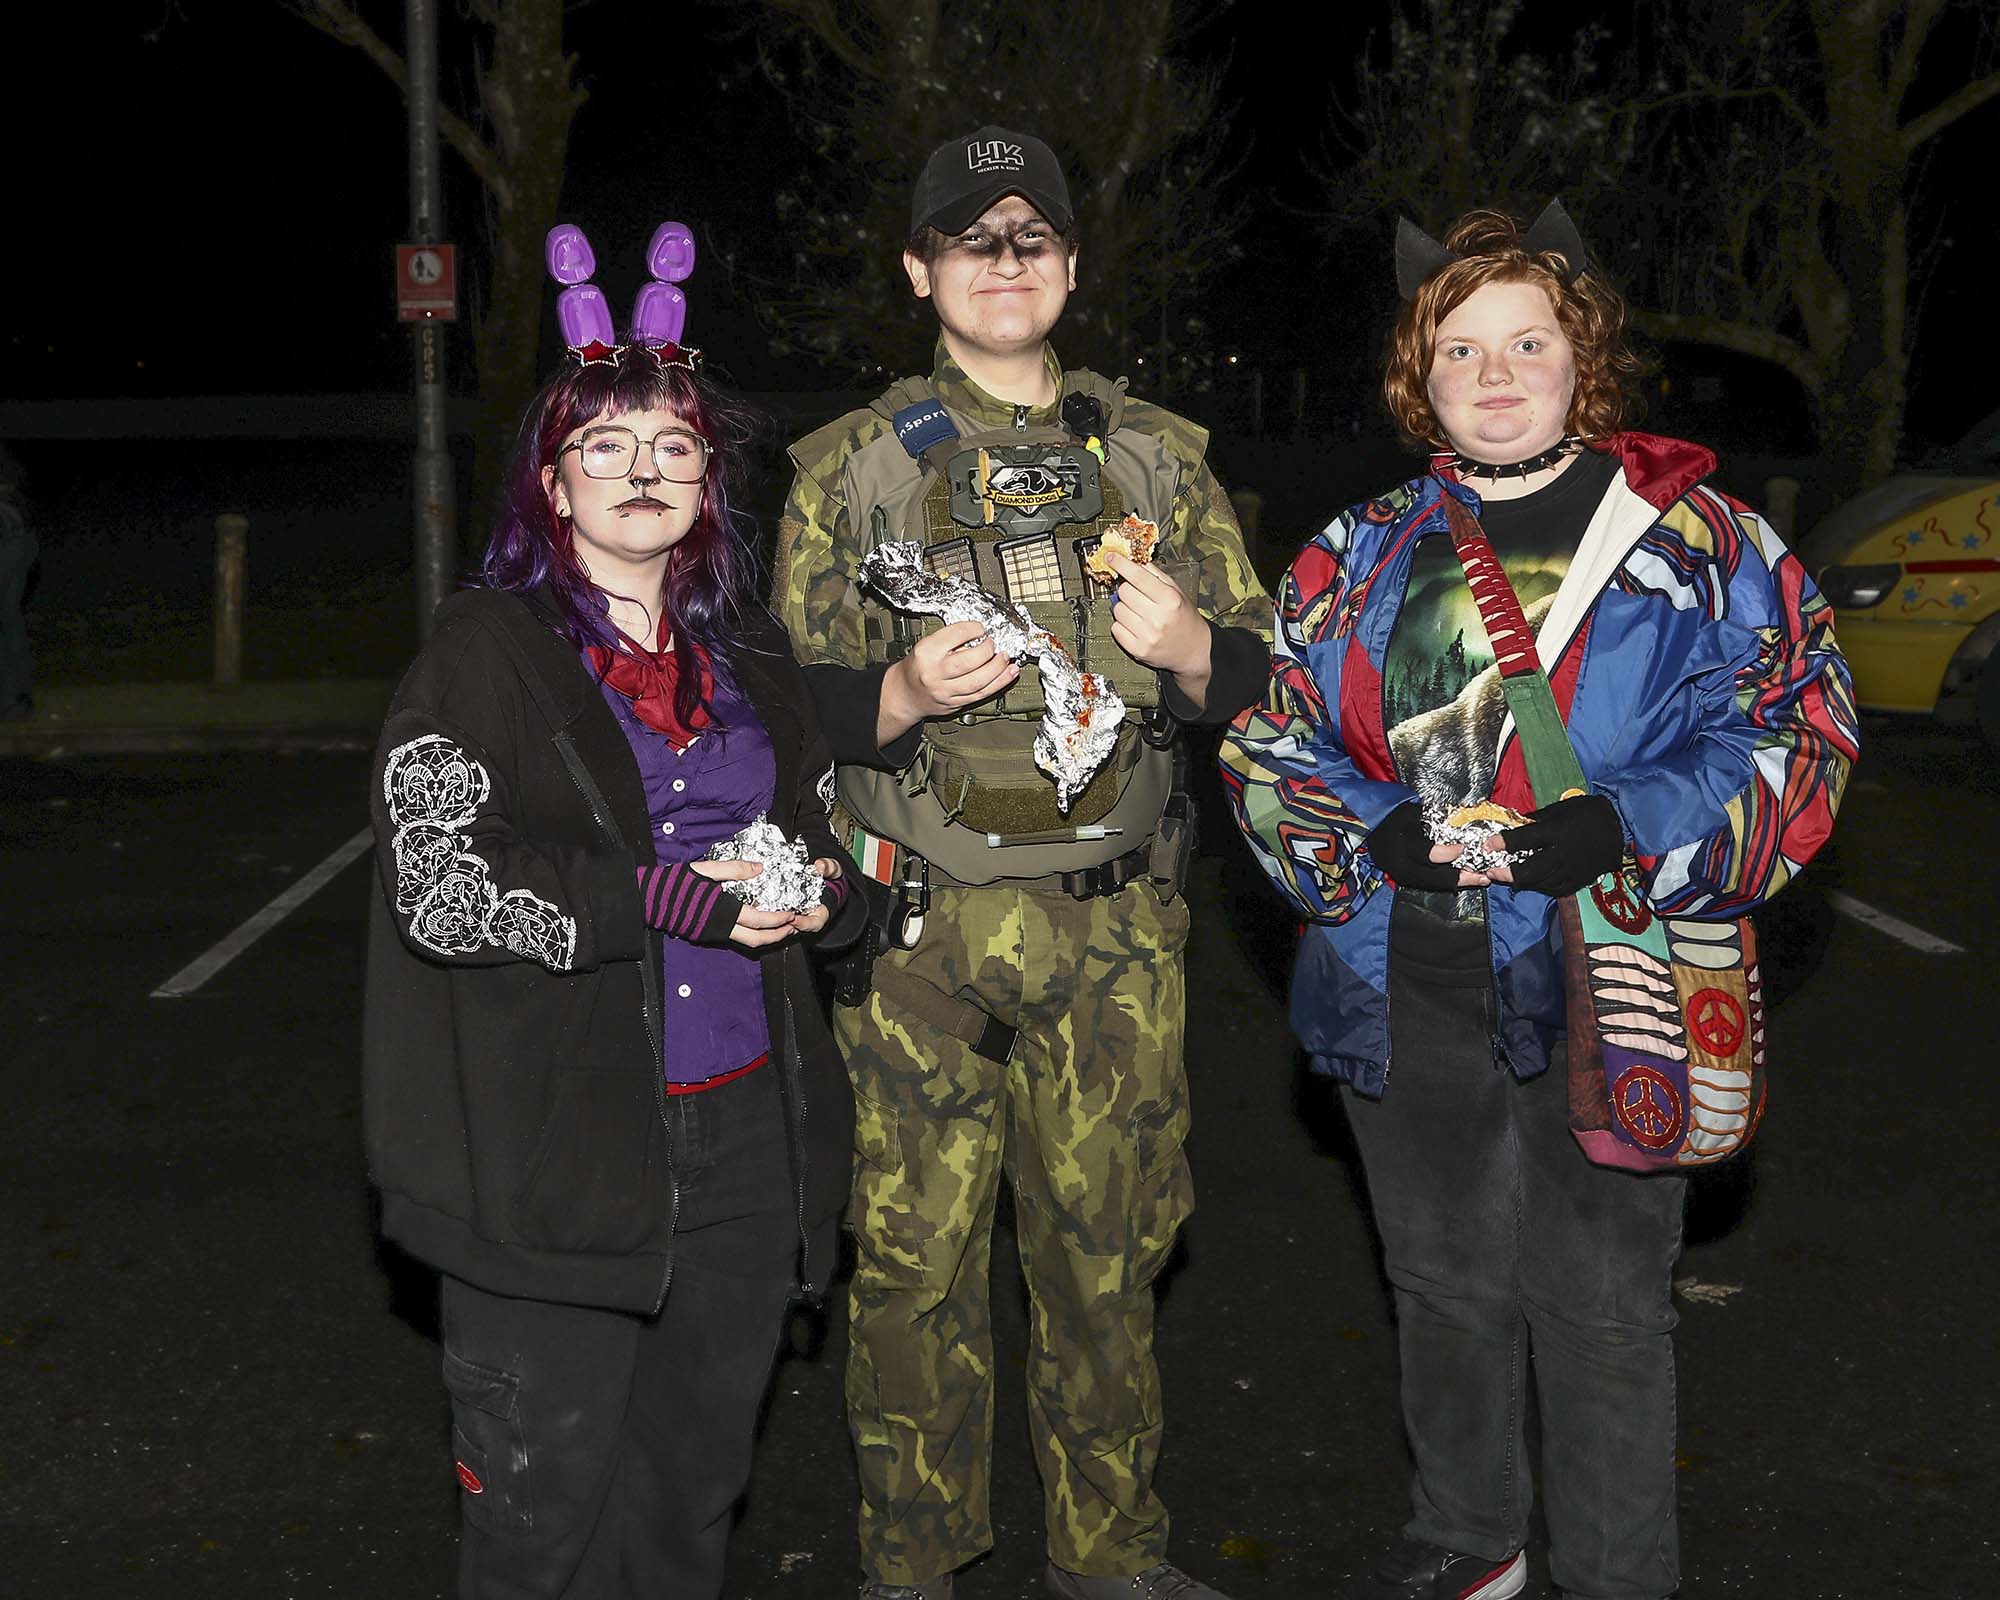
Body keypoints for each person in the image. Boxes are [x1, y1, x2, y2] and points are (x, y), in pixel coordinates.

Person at [1221, 204, 1856, 1600]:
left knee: (1603, 1300)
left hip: (1603, 960)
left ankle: (1618, 1575)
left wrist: (1621, 824)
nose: (1495, 373)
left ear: (1585, 358)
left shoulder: (1698, 539)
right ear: (1419, 375)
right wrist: (1374, 828)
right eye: (1459, 348)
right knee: (1439, 1278)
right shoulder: (1358, 547)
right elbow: (1272, 737)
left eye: (1528, 342)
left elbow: (1800, 729)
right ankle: (1472, 1539)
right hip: (1401, 964)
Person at [772, 127, 1273, 1600]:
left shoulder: (1156, 457)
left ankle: (1111, 1559)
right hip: (920, 946)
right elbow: (777, 700)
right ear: (918, 269)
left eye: (1031, 239)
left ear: (1069, 265)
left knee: (1107, 1268)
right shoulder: (848, 471)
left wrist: (1192, 650)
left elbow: (1268, 680)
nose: (1004, 264)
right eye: (971, 241)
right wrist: (896, 694)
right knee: (912, 1279)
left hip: (1115, 942)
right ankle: (914, 1564)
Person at [363, 264, 861, 1598]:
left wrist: (828, 890)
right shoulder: (483, 650)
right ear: (552, 482)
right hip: (558, 1149)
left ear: (707, 484)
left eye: (674, 446)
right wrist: (658, 895)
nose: (644, 468)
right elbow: (436, 881)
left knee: (690, 1506)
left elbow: (822, 828)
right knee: (541, 1530)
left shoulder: (752, 649)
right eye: (605, 445)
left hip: (747, 1138)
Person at [0, 444, 36, 719]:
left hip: (12, 539)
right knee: (9, 618)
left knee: (6, 619)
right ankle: (18, 698)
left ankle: (12, 700)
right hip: (19, 538)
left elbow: (14, 479)